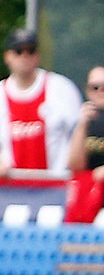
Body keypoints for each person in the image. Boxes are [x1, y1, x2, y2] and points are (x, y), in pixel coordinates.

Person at [0, 28, 81, 178]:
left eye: (30, 51)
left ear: (38, 56)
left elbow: (79, 135)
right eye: (18, 51)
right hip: (10, 191)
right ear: (7, 57)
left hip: (55, 187)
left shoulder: (61, 88)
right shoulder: (1, 94)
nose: (24, 56)